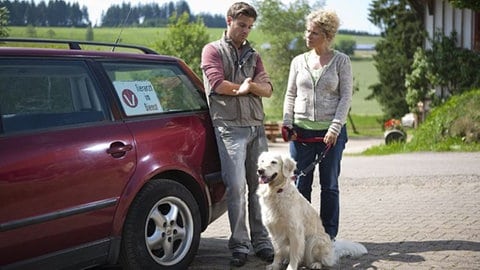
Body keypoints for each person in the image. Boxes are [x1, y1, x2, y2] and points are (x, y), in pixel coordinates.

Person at [200, 2, 274, 267]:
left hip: (256, 126)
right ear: (229, 20)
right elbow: (218, 84)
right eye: (242, 25)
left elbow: (267, 89)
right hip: (229, 128)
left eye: (250, 27)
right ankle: (239, 244)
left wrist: (249, 85)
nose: (246, 31)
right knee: (236, 187)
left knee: (260, 187)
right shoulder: (212, 50)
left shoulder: (254, 54)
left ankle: (262, 241)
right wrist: (244, 89)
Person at [282, 8, 353, 241]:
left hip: (330, 135)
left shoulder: (341, 61)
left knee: (329, 185)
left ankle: (328, 235)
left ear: (327, 35)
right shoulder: (298, 61)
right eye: (307, 31)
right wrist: (287, 122)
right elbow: (290, 94)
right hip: (301, 134)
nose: (307, 36)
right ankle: (303, 232)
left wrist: (335, 128)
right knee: (301, 185)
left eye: (313, 33)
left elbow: (345, 97)